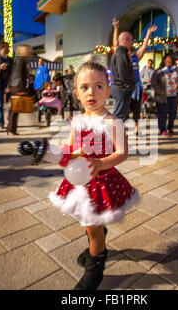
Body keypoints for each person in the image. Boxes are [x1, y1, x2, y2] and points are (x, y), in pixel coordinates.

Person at [48, 62, 139, 290]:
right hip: (79, 181)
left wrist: (100, 163)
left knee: (91, 222)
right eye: (85, 87)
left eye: (99, 86)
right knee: (86, 218)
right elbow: (71, 149)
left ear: (108, 91)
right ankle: (96, 237)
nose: (92, 92)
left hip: (102, 182)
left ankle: (95, 268)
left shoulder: (112, 122)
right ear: (77, 93)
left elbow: (122, 152)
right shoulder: (76, 121)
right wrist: (52, 152)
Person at [112, 19, 157, 134]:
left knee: (137, 109)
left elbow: (144, 46)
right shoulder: (120, 54)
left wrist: (148, 34)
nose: (131, 44)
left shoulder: (135, 57)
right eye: (130, 41)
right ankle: (120, 132)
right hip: (125, 86)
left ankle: (136, 129)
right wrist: (116, 28)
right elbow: (116, 43)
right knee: (123, 110)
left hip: (136, 86)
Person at [151, 54, 178, 137]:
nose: (168, 61)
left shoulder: (177, 69)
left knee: (173, 114)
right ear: (164, 61)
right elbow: (153, 82)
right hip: (162, 97)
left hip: (174, 95)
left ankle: (170, 128)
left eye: (170, 60)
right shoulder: (159, 71)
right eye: (167, 59)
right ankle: (163, 130)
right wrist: (160, 91)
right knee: (162, 114)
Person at [110, 29, 136, 121]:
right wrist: (130, 86)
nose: (132, 42)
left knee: (121, 115)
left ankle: (116, 134)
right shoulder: (121, 54)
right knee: (119, 116)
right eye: (131, 39)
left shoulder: (119, 52)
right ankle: (113, 134)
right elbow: (123, 74)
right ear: (125, 40)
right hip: (121, 88)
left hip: (120, 88)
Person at [7, 45, 32, 135]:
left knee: (14, 108)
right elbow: (19, 75)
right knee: (15, 108)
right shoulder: (21, 60)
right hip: (18, 86)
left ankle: (10, 127)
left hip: (15, 85)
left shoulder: (17, 60)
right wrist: (22, 88)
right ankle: (12, 128)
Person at [0, 42, 13, 129]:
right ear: (2, 48)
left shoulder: (10, 60)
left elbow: (12, 73)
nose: (8, 49)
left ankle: (10, 120)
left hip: (8, 85)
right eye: (7, 47)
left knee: (12, 104)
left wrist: (9, 85)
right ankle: (1, 123)